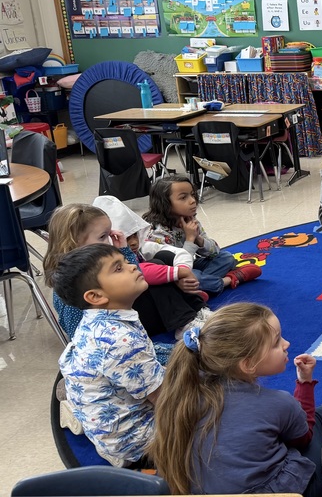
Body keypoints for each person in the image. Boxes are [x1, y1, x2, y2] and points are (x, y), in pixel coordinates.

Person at [151, 303, 322, 497]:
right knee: (321, 420)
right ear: (247, 364)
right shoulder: (277, 402)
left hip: (200, 490)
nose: (286, 344)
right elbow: (303, 438)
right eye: (276, 342)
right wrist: (304, 383)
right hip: (277, 491)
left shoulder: (182, 394)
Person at [53, 243, 164, 468]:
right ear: (95, 296)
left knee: (170, 355)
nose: (132, 266)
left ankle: (81, 415)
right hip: (139, 441)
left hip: (106, 416)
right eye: (118, 268)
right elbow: (165, 399)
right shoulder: (122, 341)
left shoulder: (96, 318)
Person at [43, 203, 209, 345]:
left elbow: (134, 273)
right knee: (153, 274)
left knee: (157, 265)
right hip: (116, 331)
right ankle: (186, 321)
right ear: (73, 245)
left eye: (109, 234)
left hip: (125, 316)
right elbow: (78, 333)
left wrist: (124, 250)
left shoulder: (95, 261)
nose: (109, 241)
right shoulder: (73, 283)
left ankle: (195, 312)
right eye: (102, 236)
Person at [144, 175, 261, 296]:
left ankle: (199, 289)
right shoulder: (157, 232)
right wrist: (189, 239)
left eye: (192, 194)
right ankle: (228, 280)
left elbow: (215, 252)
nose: (192, 200)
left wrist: (198, 239)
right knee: (194, 276)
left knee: (226, 258)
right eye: (183, 197)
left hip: (190, 267)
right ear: (164, 203)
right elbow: (180, 268)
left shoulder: (189, 219)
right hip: (174, 273)